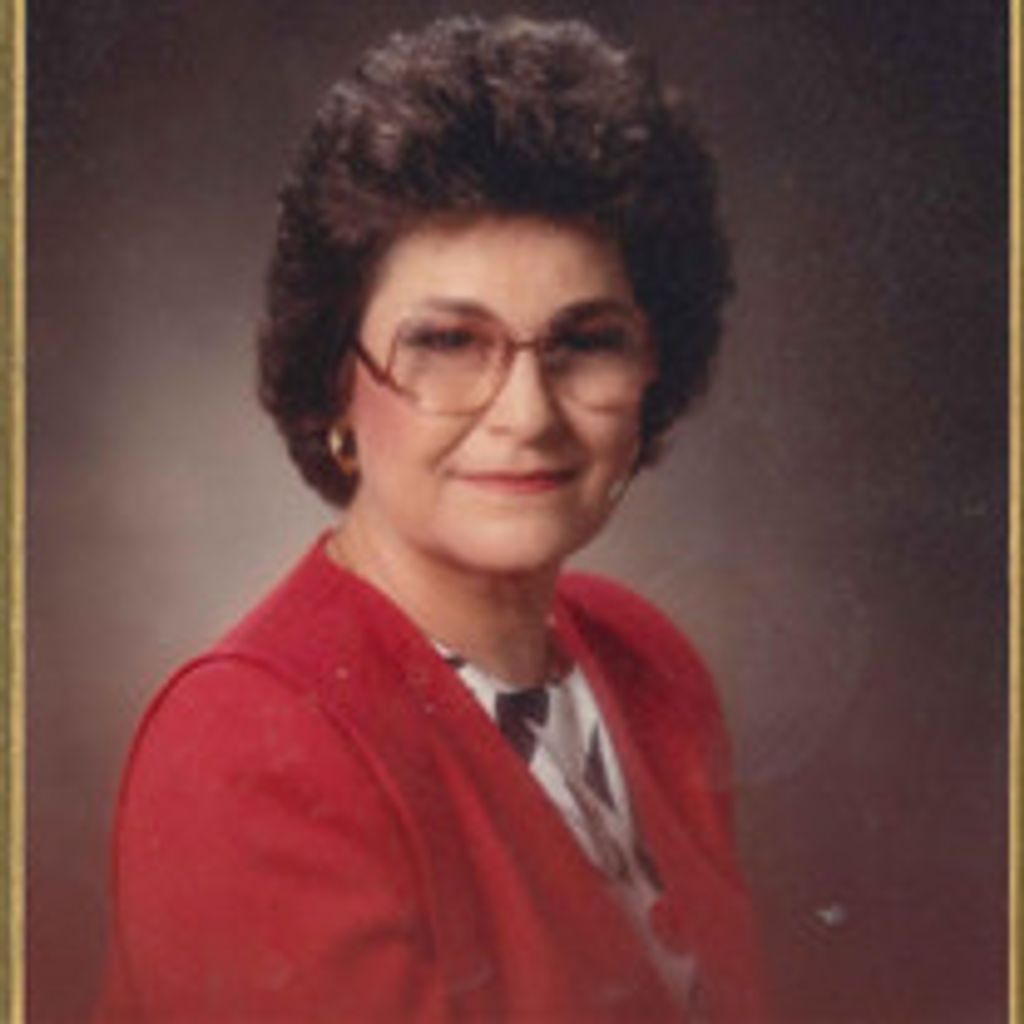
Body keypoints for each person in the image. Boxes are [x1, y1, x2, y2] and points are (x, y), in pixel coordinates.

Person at [96, 15, 766, 1024]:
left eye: (586, 341)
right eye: (449, 342)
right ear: (337, 382)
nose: (527, 415)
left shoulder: (649, 663)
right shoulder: (245, 747)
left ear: (652, 370)